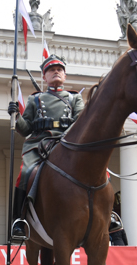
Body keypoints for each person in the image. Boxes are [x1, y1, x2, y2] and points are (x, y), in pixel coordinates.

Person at [8, 54, 85, 239]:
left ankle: (109, 217)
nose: (56, 72)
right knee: (25, 173)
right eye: (51, 70)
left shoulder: (75, 99)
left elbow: (81, 121)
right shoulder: (35, 99)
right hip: (40, 144)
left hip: (69, 143)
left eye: (59, 70)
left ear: (64, 76)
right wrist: (16, 116)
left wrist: (69, 136)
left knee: (99, 169)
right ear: (44, 77)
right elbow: (25, 129)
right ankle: (18, 220)